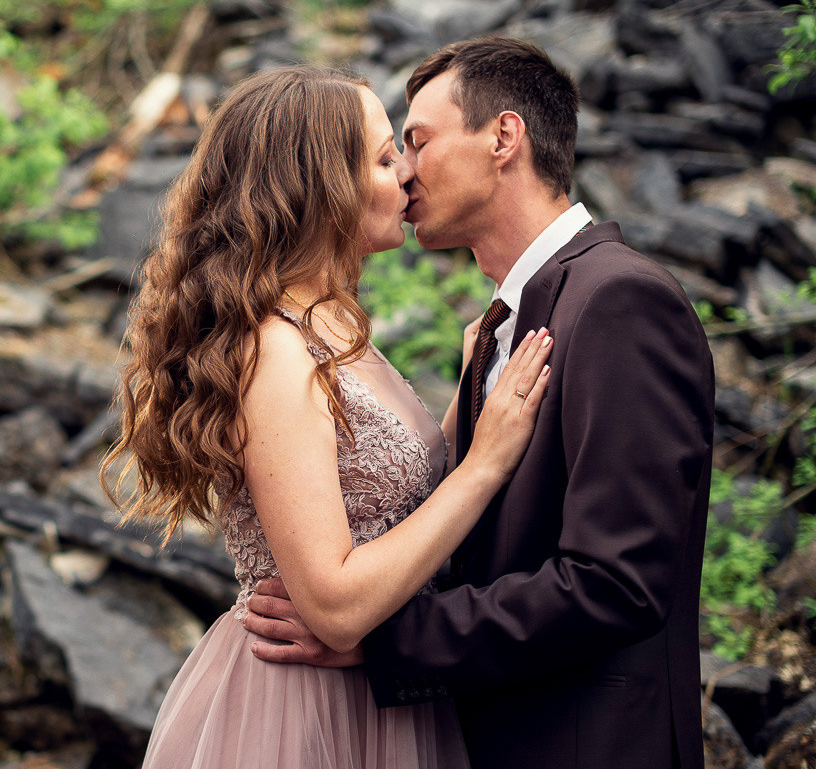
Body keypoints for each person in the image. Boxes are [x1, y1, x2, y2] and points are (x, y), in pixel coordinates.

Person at [243, 37, 716, 769]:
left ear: (502, 137)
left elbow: (615, 583)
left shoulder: (619, 300)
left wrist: (386, 642)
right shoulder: (502, 325)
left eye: (417, 142)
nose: (404, 171)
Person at [102, 65, 555, 769]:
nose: (407, 174)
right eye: (382, 158)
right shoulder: (276, 349)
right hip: (299, 710)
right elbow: (335, 606)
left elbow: (385, 503)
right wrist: (485, 464)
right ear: (317, 187)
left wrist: (471, 395)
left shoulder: (335, 329)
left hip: (378, 697)